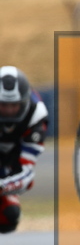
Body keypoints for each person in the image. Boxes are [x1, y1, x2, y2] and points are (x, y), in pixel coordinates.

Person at [0, 66, 48, 233]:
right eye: (3, 105)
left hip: (8, 168)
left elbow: (27, 175)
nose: (9, 111)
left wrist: (2, 186)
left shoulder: (36, 116)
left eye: (14, 105)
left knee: (9, 216)